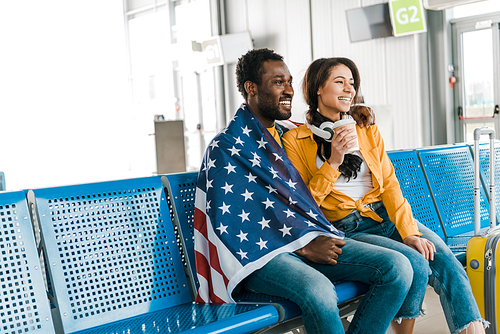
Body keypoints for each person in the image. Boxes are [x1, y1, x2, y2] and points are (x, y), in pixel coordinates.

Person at [194, 48, 417, 334]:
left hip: (310, 238)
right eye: (278, 82)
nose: (288, 90)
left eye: (288, 81)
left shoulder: (287, 131)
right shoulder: (227, 146)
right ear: (251, 88)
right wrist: (302, 244)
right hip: (262, 256)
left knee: (397, 268)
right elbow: (232, 224)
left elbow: (324, 124)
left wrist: (357, 110)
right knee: (319, 290)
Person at [281, 57, 486, 334]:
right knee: (414, 262)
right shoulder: (295, 141)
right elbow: (304, 204)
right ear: (318, 88)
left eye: (352, 83)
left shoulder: (365, 128)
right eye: (339, 82)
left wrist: (408, 231)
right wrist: (333, 162)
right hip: (346, 227)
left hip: (383, 215)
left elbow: (389, 184)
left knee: (444, 259)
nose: (348, 90)